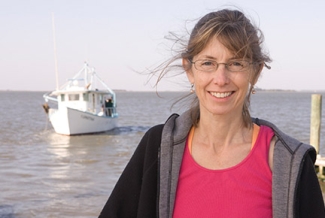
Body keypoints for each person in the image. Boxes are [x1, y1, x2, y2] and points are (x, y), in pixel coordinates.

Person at [99, 9, 325, 218]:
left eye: (235, 63)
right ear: (189, 69)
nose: (221, 78)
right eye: (208, 63)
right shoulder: (157, 147)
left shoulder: (289, 160)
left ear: (255, 72)